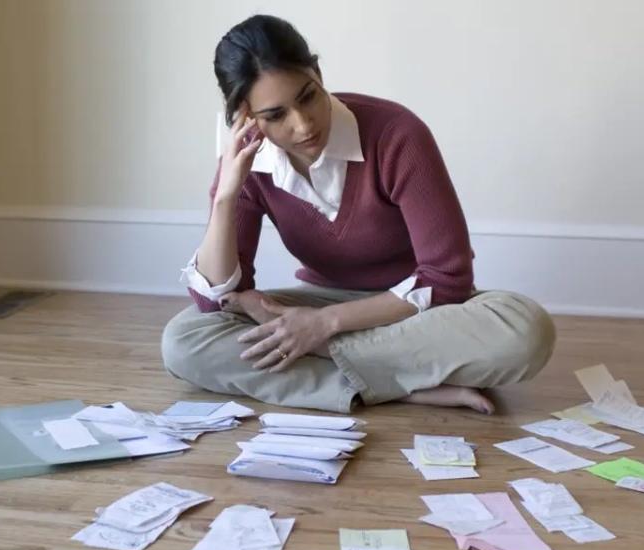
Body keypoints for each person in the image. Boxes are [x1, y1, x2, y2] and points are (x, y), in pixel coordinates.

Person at [161, 15, 555, 415]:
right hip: (319, 303)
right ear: (245, 116)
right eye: (276, 115)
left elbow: (448, 280)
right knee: (185, 339)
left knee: (523, 330)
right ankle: (398, 386)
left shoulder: (396, 133)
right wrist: (227, 195)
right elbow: (217, 300)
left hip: (414, 312)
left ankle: (343, 371)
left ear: (318, 72)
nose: (302, 124)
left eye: (308, 96)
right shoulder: (247, 162)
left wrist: (326, 326)